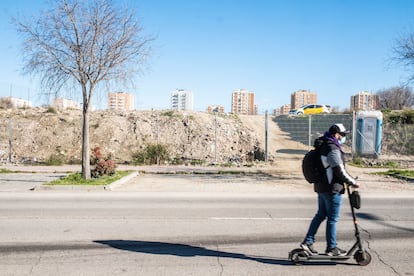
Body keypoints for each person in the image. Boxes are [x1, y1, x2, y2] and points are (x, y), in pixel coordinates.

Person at [300, 123, 359, 256]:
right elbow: (339, 170)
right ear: (336, 135)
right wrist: (352, 182)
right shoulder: (332, 149)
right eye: (343, 135)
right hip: (332, 189)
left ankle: (308, 242)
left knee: (320, 215)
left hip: (321, 187)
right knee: (332, 219)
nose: (344, 138)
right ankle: (331, 248)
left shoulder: (323, 145)